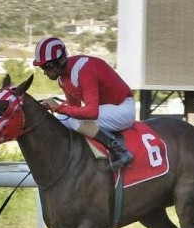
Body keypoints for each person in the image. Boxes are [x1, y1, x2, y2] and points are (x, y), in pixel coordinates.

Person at [32, 36, 135, 171]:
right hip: (105, 110)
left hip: (123, 109)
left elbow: (91, 112)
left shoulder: (85, 70)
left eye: (47, 66)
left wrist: (58, 108)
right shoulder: (62, 80)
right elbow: (74, 109)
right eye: (42, 67)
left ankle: (120, 151)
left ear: (61, 60)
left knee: (76, 122)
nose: (45, 72)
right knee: (60, 121)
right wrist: (56, 110)